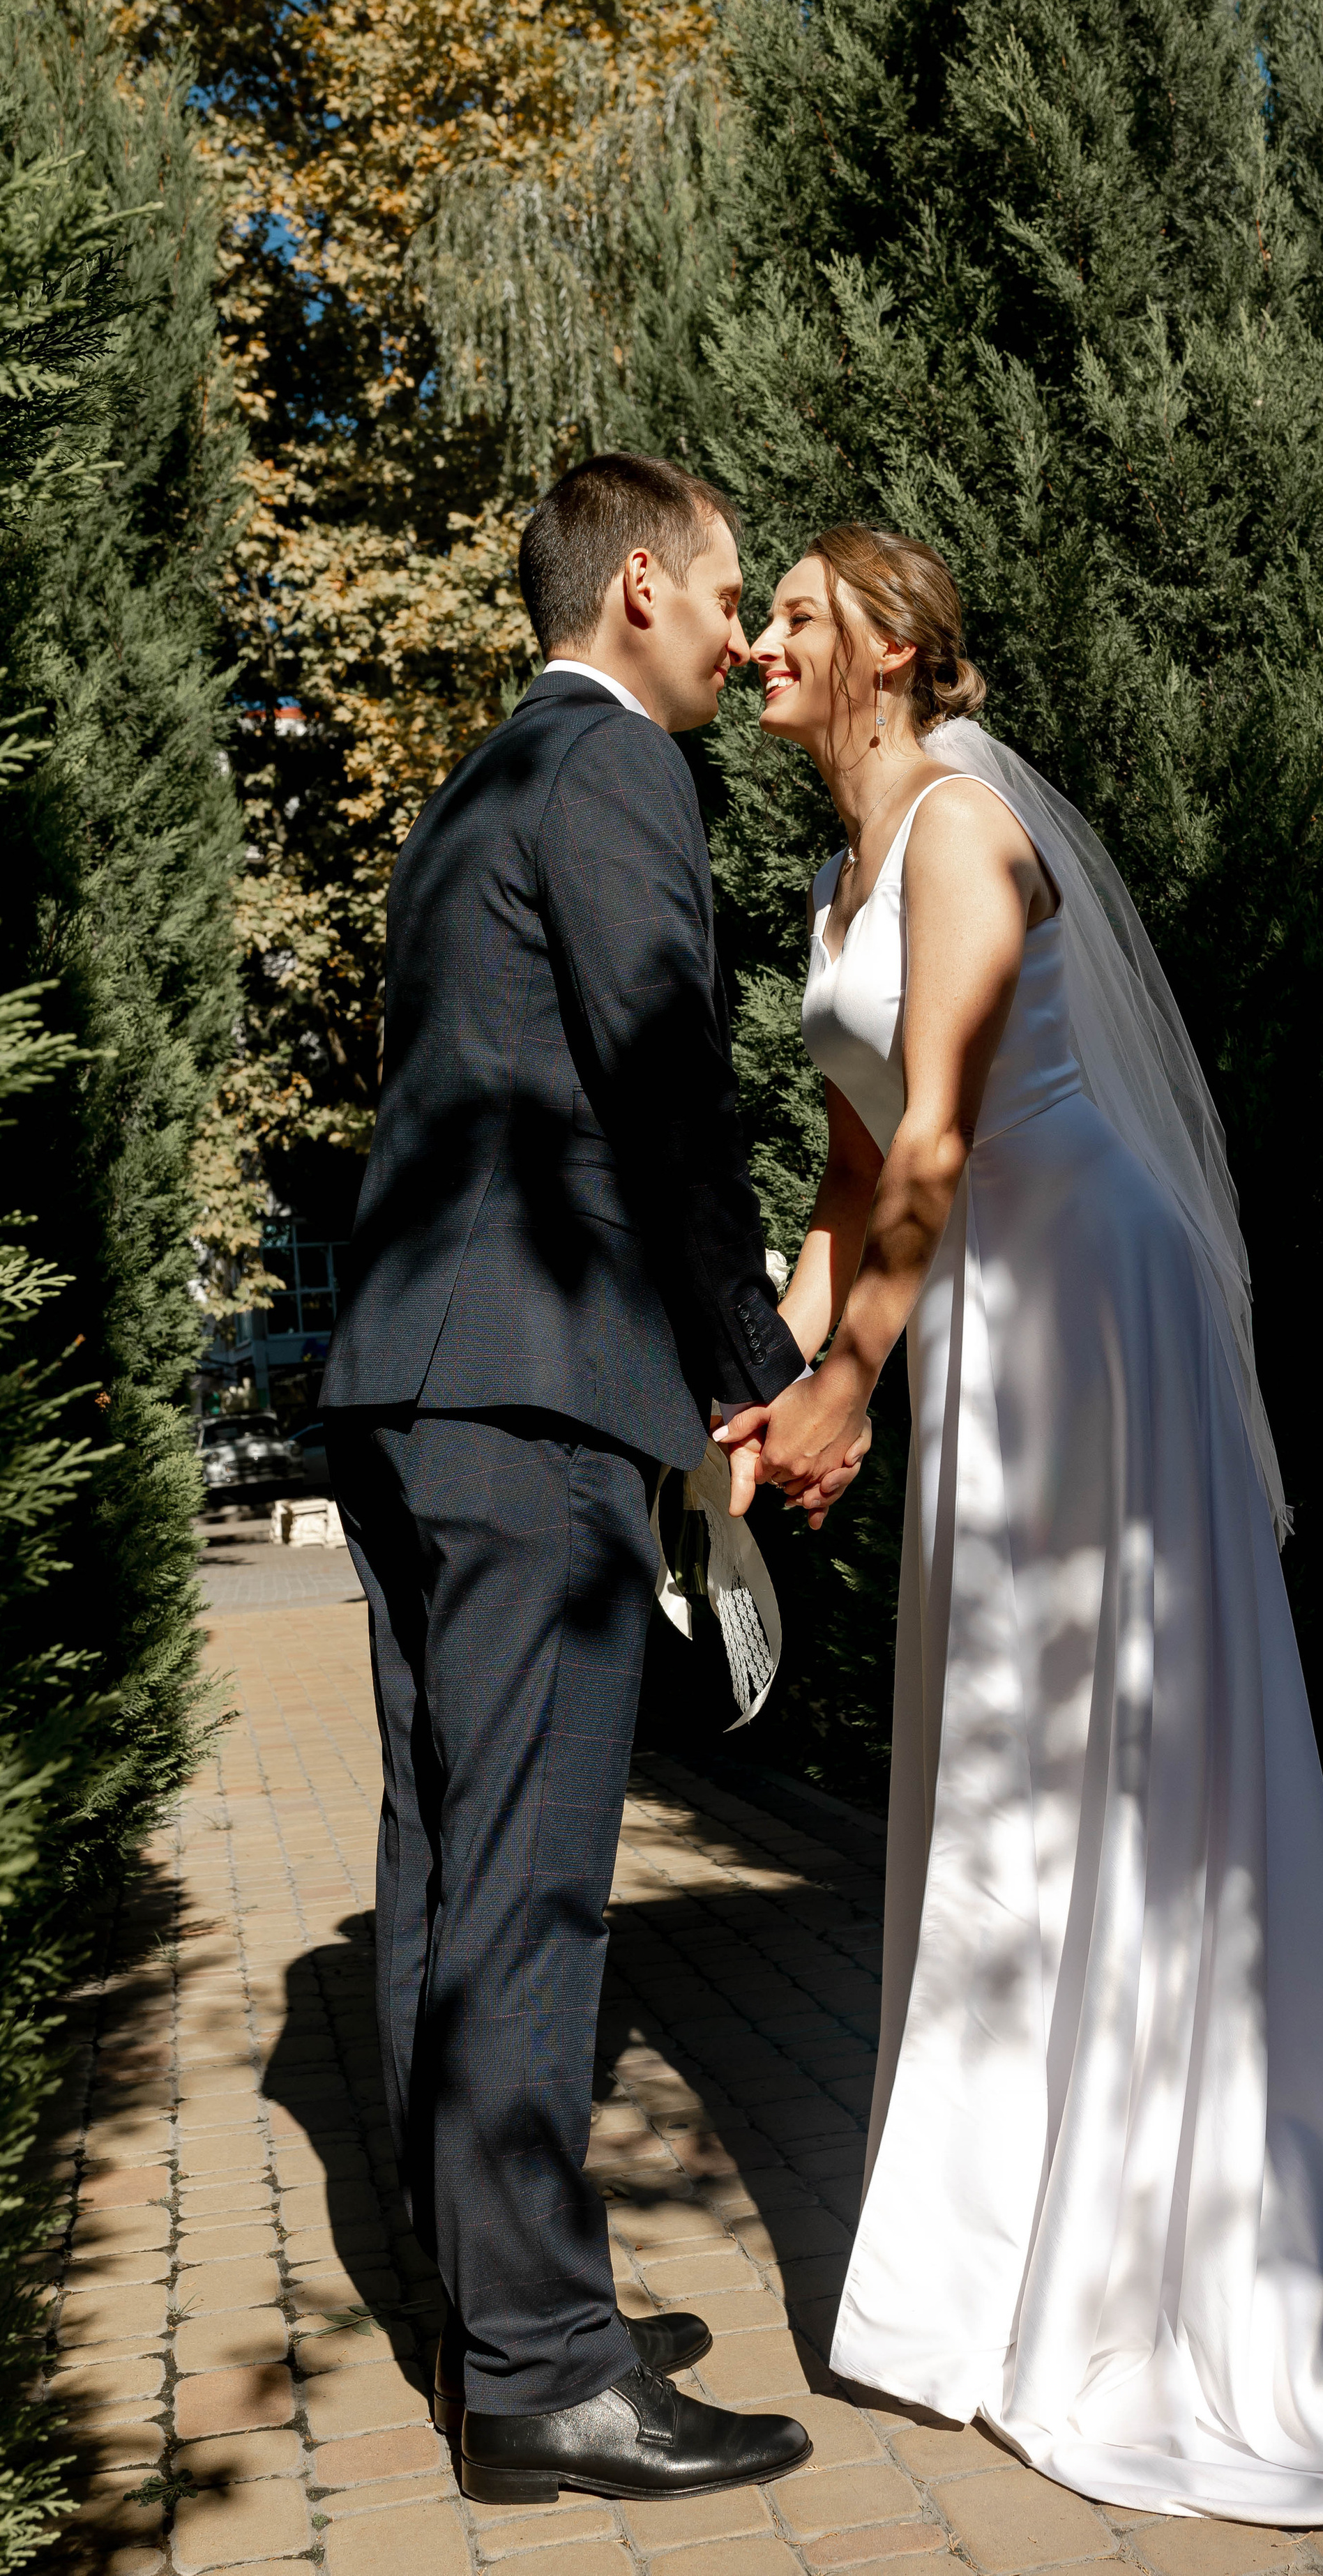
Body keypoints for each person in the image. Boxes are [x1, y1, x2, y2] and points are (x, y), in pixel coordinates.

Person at [717, 524, 1323, 2559]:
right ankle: (996, 2258)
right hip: (974, 1316)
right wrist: (758, 1396)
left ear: (892, 646)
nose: (760, 638)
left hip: (1084, 1303)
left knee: (1104, 1760)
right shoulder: (832, 882)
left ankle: (1153, 2260)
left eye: (798, 611)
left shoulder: (969, 830)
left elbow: (946, 1134)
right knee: (1001, 1765)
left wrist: (851, 1389)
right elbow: (840, 1190)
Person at [320, 455, 847, 2509]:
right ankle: (543, 2365)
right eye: (726, 590)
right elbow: (660, 1089)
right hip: (530, 1394)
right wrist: (770, 1378)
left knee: (444, 1861)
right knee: (526, 1874)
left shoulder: (466, 793)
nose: (739, 630)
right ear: (641, 587)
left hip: (405, 1381)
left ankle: (487, 2316)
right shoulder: (621, 771)